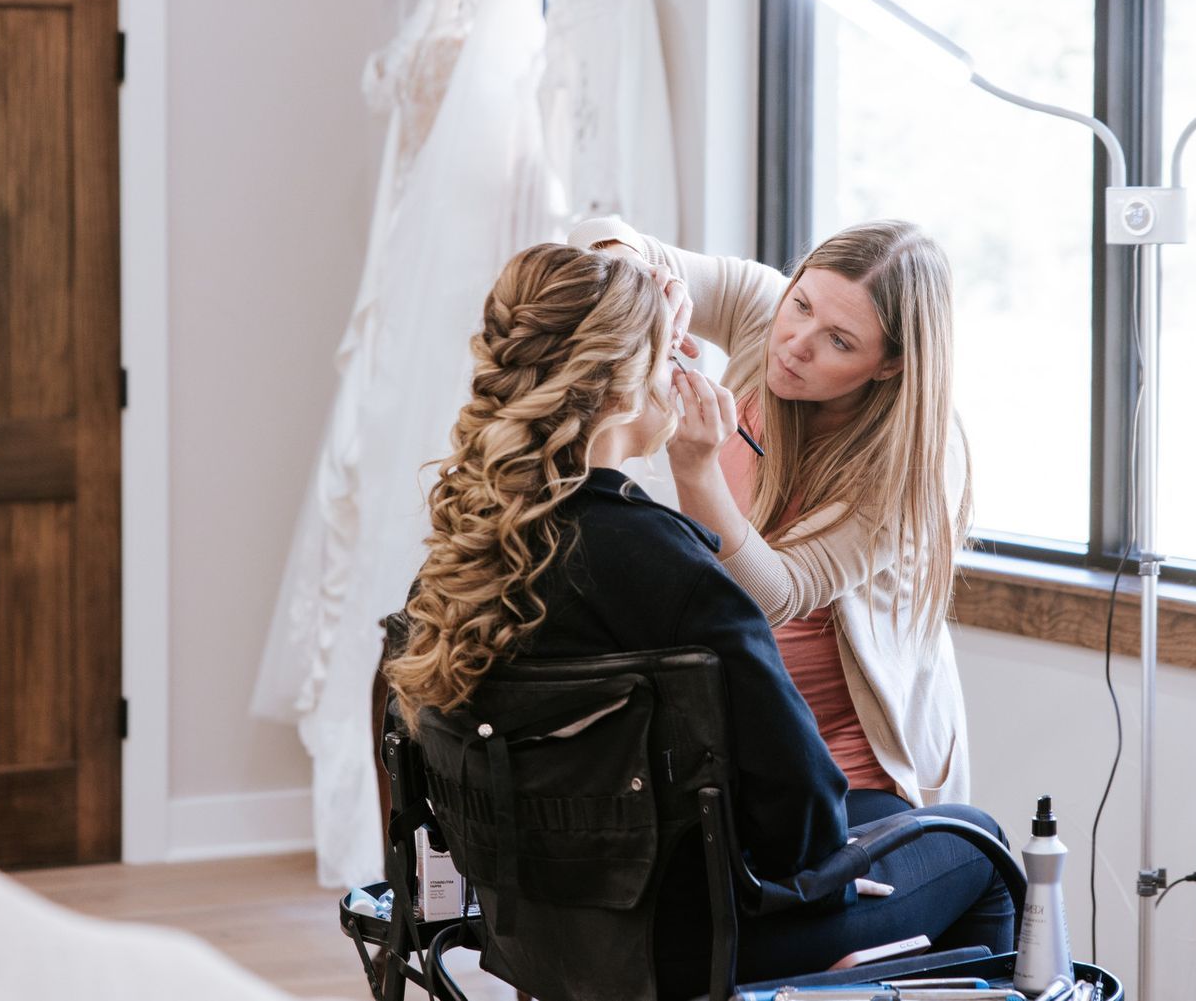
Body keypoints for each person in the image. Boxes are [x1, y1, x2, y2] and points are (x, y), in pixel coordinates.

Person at [386, 243, 1010, 997]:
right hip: (690, 942)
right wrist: (833, 870)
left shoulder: (466, 548)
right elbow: (805, 818)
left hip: (533, 924)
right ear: (626, 391)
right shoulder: (670, 567)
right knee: (985, 851)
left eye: (838, 338)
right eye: (669, 355)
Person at [570, 216, 973, 818]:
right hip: (728, 736)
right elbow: (597, 232)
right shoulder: (765, 313)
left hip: (851, 766)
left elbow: (776, 595)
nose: (796, 343)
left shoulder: (917, 460)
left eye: (840, 341)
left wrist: (697, 469)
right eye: (801, 304)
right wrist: (644, 278)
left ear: (890, 365)